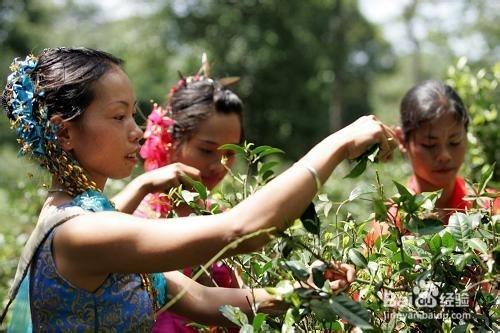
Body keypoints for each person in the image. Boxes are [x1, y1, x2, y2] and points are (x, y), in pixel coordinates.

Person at [1, 47, 396, 331]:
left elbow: (207, 302)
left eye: (133, 114)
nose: (137, 131)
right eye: (118, 116)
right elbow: (240, 230)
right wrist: (339, 143)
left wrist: (308, 291)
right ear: (65, 132)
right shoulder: (80, 233)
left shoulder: (93, 219)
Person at [133, 62, 244, 332]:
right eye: (207, 150)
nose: (219, 165)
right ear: (170, 140)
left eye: (229, 153)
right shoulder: (138, 220)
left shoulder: (222, 214)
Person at [364, 80, 499, 247]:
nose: (444, 156)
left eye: (454, 141)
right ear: (402, 140)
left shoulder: (492, 209)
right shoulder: (389, 225)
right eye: (430, 145)